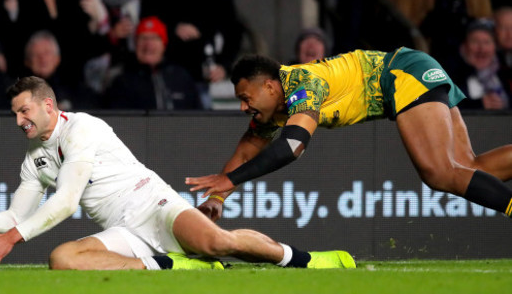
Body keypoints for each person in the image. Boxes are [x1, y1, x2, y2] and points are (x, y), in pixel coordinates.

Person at [0, 76, 355, 271]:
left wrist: (10, 240)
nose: (19, 120)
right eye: (15, 113)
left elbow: (67, 201)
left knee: (217, 242)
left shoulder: (81, 128)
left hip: (152, 204)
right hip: (122, 230)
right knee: (62, 259)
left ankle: (310, 261)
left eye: (24, 110)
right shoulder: (33, 158)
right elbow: (16, 216)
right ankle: (175, 267)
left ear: (48, 106)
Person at [185, 49, 512, 228]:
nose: (243, 107)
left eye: (246, 97)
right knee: (469, 167)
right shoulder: (275, 108)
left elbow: (293, 147)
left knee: (439, 173)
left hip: (402, 74)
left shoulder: (302, 83)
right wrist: (218, 199)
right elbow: (245, 153)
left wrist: (230, 180)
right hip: (412, 69)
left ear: (270, 87)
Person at [105, 16, 202, 110]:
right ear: (135, 44)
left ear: (163, 45)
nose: (148, 44)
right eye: (143, 38)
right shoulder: (122, 81)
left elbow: (198, 118)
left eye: (154, 38)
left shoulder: (181, 77)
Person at [80, 0, 142, 93]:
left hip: (133, 75)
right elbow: (81, 47)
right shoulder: (87, 3)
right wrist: (112, 35)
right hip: (96, 80)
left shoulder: (138, 3)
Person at [23, 30, 100, 111]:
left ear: (57, 59)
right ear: (27, 62)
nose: (42, 58)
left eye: (47, 53)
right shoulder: (18, 90)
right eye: (36, 54)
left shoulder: (73, 87)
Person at [451, 19, 510, 110]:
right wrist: (478, 105)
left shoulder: (506, 76)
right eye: (475, 41)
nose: (482, 49)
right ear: (464, 47)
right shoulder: (451, 78)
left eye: (487, 42)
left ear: (495, 47)